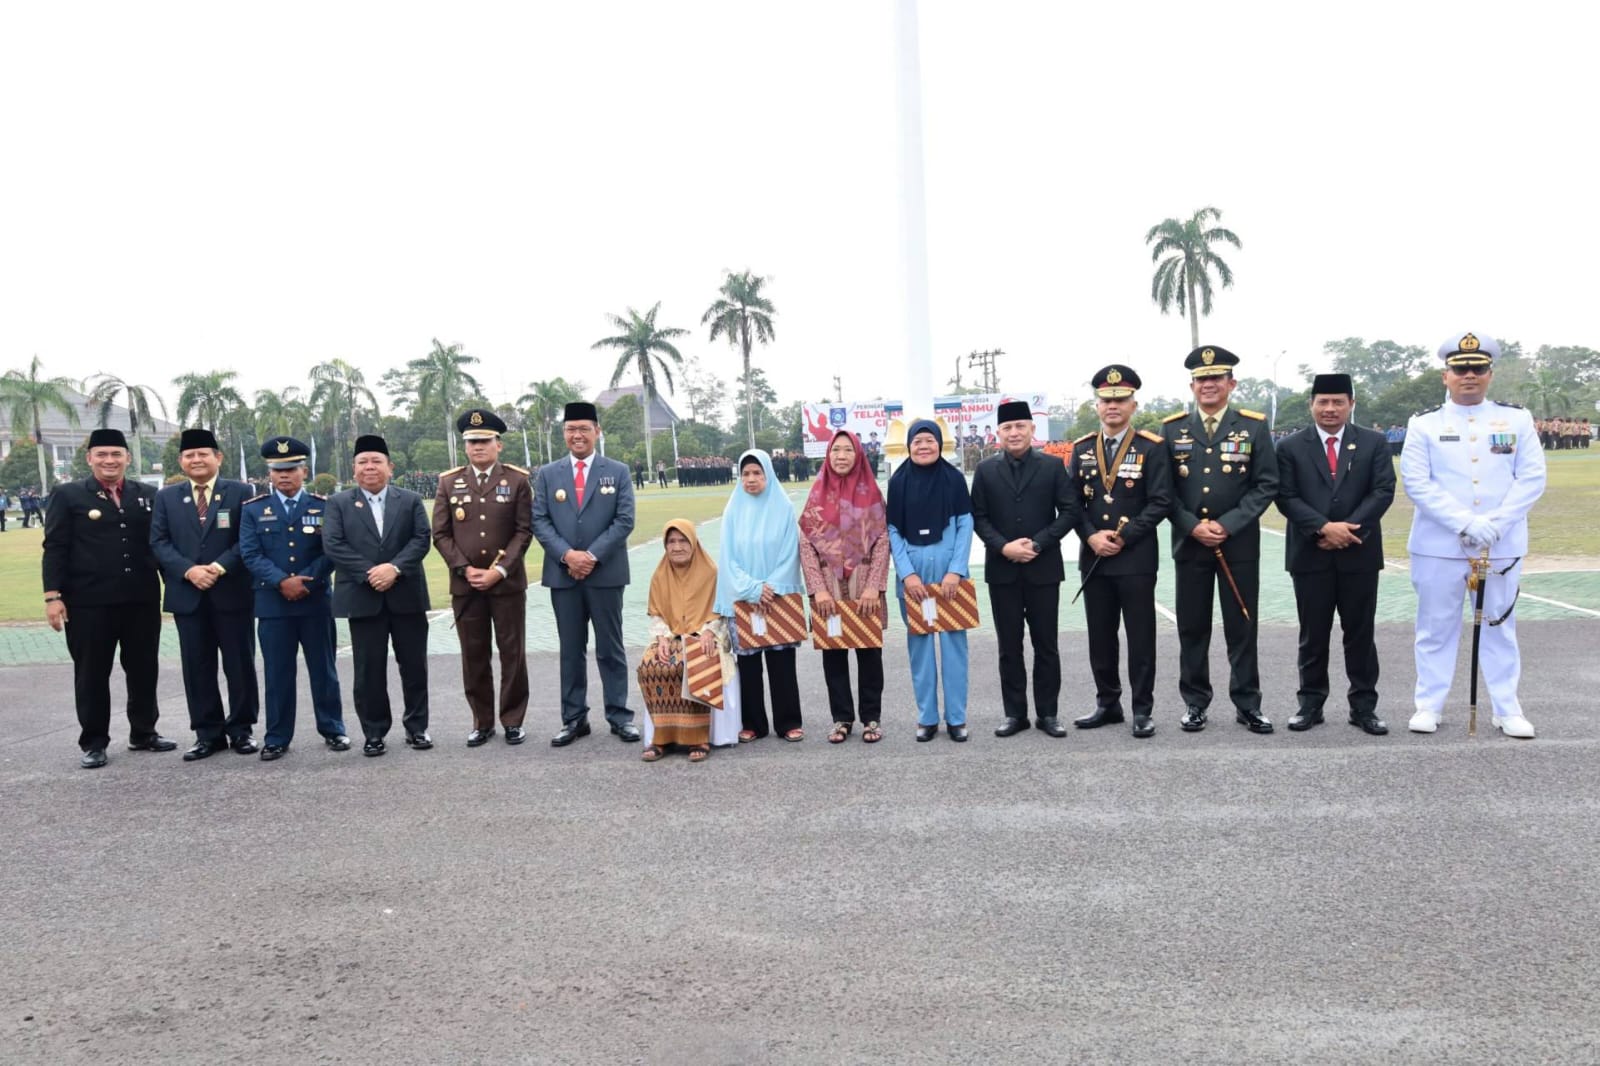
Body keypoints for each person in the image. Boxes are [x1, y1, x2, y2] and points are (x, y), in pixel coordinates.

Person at [1402, 332, 1545, 738]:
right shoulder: (1424, 423)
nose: (1469, 375)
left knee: (1500, 626)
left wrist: (1495, 525)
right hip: (1438, 546)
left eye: (1477, 368)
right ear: (1445, 376)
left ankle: (1507, 708)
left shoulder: (1516, 420)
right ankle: (1429, 705)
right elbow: (1417, 482)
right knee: (1435, 628)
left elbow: (1531, 478)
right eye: (1461, 368)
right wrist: (1466, 523)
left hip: (1500, 545)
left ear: (1489, 374)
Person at [1161, 345, 1280, 734]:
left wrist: (1227, 525)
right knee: (1192, 627)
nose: (1208, 384)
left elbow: (1266, 484)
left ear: (1231, 383)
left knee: (1241, 627)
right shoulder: (1172, 429)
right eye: (1201, 379)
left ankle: (1248, 704)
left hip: (1238, 544)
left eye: (1216, 378)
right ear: (1192, 386)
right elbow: (1163, 492)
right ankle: (1195, 703)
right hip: (1191, 544)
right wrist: (1192, 526)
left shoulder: (1253, 426)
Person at [42, 429, 173, 769]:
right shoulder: (68, 495)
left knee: (144, 668)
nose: (109, 460)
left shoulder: (147, 495)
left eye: (116, 454)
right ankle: (94, 742)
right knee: (91, 673)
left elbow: (159, 545)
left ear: (128, 457)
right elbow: (55, 546)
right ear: (89, 458)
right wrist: (53, 596)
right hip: (89, 602)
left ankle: (143, 732)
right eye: (102, 454)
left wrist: (174, 586)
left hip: (140, 599)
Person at [1274, 374, 1395, 735]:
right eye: (1323, 402)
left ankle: (1364, 707)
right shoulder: (1290, 446)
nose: (1330, 409)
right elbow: (1285, 496)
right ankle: (1310, 704)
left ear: (1351, 404)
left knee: (1360, 633)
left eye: (1338, 402)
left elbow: (1383, 490)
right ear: (1311, 404)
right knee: (1313, 634)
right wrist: (1323, 528)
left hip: (1359, 552)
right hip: (1310, 554)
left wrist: (1347, 531)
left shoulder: (1373, 442)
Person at [1068, 366, 1174, 738]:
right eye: (1106, 400)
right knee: (1100, 635)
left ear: (1133, 405)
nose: (1113, 406)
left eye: (1121, 400)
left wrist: (1123, 536)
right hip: (1094, 558)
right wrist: (1091, 537)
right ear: (1097, 405)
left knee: (1140, 637)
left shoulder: (1151, 447)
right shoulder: (1081, 448)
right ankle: (1107, 703)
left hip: (1135, 558)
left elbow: (1161, 502)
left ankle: (1142, 709)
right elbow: (1072, 504)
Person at [532, 401, 639, 746]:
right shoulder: (548, 474)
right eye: (570, 429)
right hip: (564, 576)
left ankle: (620, 716)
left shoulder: (617, 471)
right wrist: (567, 556)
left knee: (611, 648)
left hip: (605, 574)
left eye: (584, 429)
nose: (577, 435)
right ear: (563, 433)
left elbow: (624, 520)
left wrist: (591, 556)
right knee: (570, 650)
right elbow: (539, 520)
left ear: (597, 431)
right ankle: (574, 718)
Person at [150, 427, 261, 760]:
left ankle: (242, 730)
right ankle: (207, 734)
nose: (196, 460)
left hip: (231, 592)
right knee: (196, 666)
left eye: (203, 454)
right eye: (189, 455)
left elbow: (248, 539)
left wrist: (218, 567)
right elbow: (159, 542)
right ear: (181, 461)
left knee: (239, 664)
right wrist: (189, 570)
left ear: (218, 458)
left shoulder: (241, 492)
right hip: (188, 595)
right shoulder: (167, 497)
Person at [970, 399, 1078, 738]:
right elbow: (979, 517)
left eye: (1020, 426)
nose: (1014, 433)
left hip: (1043, 568)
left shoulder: (1052, 466)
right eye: (1007, 427)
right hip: (1002, 571)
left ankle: (1048, 714)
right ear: (998, 433)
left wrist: (1038, 543)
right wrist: (1004, 547)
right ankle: (1015, 714)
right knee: (1009, 646)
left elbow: (1070, 511)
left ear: (1032, 429)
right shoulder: (985, 470)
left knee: (1046, 645)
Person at [239, 436, 350, 760]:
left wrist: (307, 582)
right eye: (278, 470)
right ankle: (276, 737)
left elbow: (332, 550)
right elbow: (250, 553)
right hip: (273, 604)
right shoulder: (254, 509)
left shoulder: (324, 506)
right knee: (277, 674)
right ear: (269, 474)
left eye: (291, 469)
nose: (284, 475)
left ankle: (333, 729)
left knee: (324, 670)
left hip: (315, 601)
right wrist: (282, 582)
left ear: (305, 471)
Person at [323, 434, 434, 756]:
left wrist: (394, 569)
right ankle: (374, 733)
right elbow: (333, 544)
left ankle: (417, 728)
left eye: (376, 461)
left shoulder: (410, 500)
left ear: (390, 467)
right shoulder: (338, 503)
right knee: (368, 671)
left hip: (406, 596)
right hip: (363, 596)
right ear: (353, 469)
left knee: (414, 667)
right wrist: (372, 572)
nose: (369, 467)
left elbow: (421, 539)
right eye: (362, 462)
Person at [432, 408, 535, 747]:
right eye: (472, 441)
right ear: (465, 446)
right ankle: (482, 721)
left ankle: (513, 720)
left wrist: (499, 571)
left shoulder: (517, 480)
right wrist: (465, 569)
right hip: (467, 586)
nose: (478, 447)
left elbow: (523, 531)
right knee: (473, 655)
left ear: (498, 444)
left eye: (484, 441)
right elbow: (440, 533)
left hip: (506, 584)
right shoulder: (448, 482)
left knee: (512, 654)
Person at [798, 429, 889, 744]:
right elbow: (806, 544)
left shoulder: (872, 494)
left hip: (863, 585)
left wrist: (873, 587)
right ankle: (841, 718)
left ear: (858, 455)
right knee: (833, 654)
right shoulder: (817, 494)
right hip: (829, 587)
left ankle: (871, 718)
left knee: (869, 653)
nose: (841, 456)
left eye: (848, 450)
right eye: (835, 450)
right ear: (828, 455)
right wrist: (818, 590)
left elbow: (882, 541)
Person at [888, 420, 974, 741]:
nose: (923, 447)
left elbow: (965, 524)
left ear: (940, 444)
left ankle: (956, 719)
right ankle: (927, 718)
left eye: (929, 441)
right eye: (917, 442)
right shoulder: (898, 482)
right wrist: (907, 574)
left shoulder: (954, 479)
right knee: (920, 649)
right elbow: (892, 530)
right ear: (909, 446)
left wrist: (956, 570)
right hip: (915, 582)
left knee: (954, 649)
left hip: (951, 579)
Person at [717, 450, 807, 742]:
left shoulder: (783, 507)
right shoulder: (733, 510)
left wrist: (771, 587)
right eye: (745, 474)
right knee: (749, 666)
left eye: (757, 473)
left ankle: (788, 722)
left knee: (782, 664)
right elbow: (728, 558)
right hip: (745, 599)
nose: (751, 479)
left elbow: (790, 552)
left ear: (768, 474)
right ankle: (753, 723)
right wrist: (752, 589)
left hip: (776, 598)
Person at [639, 520, 739, 762]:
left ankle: (699, 738)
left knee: (697, 660)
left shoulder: (711, 572)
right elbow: (657, 614)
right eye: (671, 542)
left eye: (683, 541)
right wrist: (662, 638)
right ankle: (662, 738)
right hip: (672, 636)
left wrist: (708, 632)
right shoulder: (660, 575)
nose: (677, 547)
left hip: (705, 635)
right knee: (654, 664)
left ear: (694, 542)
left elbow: (722, 612)